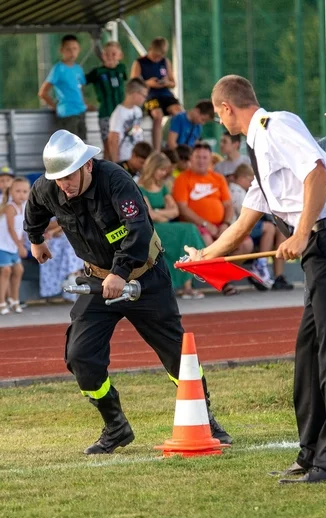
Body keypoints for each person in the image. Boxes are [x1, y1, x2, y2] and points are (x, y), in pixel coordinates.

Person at [184, 75, 326, 483]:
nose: (219, 122)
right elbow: (242, 224)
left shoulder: (275, 127)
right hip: (321, 251)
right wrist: (203, 257)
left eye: (218, 114)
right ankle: (311, 454)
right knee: (308, 357)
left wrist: (301, 232)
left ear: (227, 108)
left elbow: (317, 174)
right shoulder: (260, 148)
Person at [24, 130, 231, 455]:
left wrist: (121, 273)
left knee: (177, 354)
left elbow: (138, 230)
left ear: (87, 165)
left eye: (69, 175)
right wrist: (35, 238)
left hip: (144, 275)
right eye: (59, 178)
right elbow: (35, 207)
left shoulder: (115, 180)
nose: (65, 184)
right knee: (80, 357)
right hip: (97, 280)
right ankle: (115, 426)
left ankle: (206, 421)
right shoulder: (49, 187)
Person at [173, 142, 253, 296]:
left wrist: (226, 223)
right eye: (198, 157)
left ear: (210, 159)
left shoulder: (218, 178)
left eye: (205, 157)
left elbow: (228, 205)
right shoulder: (183, 179)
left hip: (221, 225)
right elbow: (183, 208)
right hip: (197, 226)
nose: (201, 161)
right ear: (191, 158)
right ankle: (224, 282)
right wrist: (205, 223)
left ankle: (219, 274)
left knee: (246, 244)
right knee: (210, 243)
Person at [139, 152, 205, 299]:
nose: (163, 173)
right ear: (152, 168)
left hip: (165, 226)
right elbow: (149, 215)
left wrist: (158, 212)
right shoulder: (140, 187)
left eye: (165, 170)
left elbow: (175, 211)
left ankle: (188, 284)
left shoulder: (163, 188)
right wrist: (162, 213)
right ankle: (189, 282)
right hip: (151, 229)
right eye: (161, 170)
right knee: (187, 230)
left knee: (188, 231)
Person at [230, 164, 294, 291]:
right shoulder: (236, 190)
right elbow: (245, 217)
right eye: (249, 180)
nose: (250, 184)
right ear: (241, 178)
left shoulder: (242, 191)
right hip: (236, 229)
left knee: (280, 231)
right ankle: (260, 265)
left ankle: (278, 276)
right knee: (269, 228)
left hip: (246, 228)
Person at [130, 37, 184, 150]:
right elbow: (133, 83)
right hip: (149, 96)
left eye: (159, 56)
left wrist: (165, 82)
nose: (157, 59)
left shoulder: (165, 61)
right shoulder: (140, 62)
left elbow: (173, 83)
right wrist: (148, 83)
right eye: (155, 56)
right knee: (157, 115)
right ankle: (157, 149)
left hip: (165, 94)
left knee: (180, 114)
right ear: (150, 49)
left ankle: (177, 145)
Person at [38, 34, 87, 140]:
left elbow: (81, 89)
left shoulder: (78, 69)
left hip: (81, 112)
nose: (72, 52)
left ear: (79, 50)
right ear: (62, 50)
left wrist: (85, 104)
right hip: (67, 114)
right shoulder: (58, 69)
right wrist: (56, 107)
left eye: (75, 49)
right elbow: (43, 92)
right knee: (70, 147)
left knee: (83, 146)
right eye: (68, 49)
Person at [85, 41, 128, 160]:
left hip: (121, 115)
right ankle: (107, 174)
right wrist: (85, 103)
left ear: (120, 55)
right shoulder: (97, 72)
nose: (110, 57)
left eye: (113, 54)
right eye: (107, 54)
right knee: (109, 147)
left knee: (121, 145)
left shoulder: (121, 69)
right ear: (102, 56)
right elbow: (80, 83)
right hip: (106, 114)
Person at [0, 177, 30, 315]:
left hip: (12, 246)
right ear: (11, 192)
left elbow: (23, 228)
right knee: (6, 271)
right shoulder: (9, 207)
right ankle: (2, 302)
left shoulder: (24, 207)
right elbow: (11, 229)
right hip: (3, 245)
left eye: (24, 191)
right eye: (18, 191)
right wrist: (20, 246)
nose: (21, 194)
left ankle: (14, 299)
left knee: (18, 270)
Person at [39, 218, 84, 303]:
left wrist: (56, 228)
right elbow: (42, 224)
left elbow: (67, 221)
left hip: (66, 238)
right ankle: (67, 284)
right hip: (50, 240)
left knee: (72, 251)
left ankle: (73, 283)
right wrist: (56, 226)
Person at [108, 78, 148, 163]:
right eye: (144, 95)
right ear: (135, 94)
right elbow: (113, 140)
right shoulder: (119, 113)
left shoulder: (138, 111)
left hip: (137, 157)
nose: (145, 99)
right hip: (124, 159)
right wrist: (117, 163)